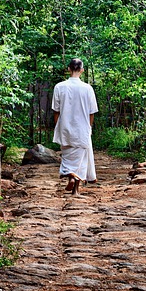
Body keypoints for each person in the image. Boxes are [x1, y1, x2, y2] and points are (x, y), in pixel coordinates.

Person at [52, 58, 98, 197]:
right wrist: (89, 127)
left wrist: (58, 127)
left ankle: (70, 176)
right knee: (81, 160)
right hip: (82, 128)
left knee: (67, 156)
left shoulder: (59, 87)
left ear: (68, 69)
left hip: (65, 127)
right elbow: (91, 112)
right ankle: (76, 190)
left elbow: (56, 111)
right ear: (82, 70)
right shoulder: (87, 88)